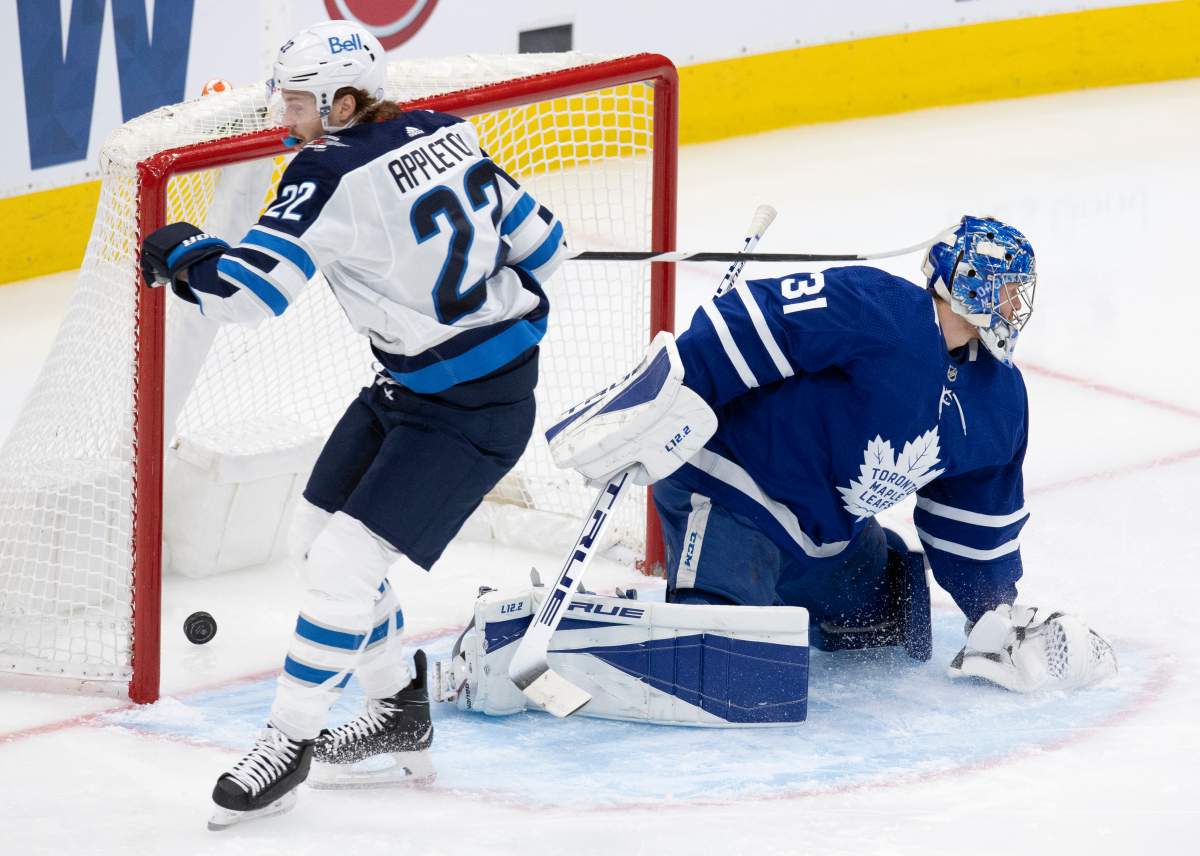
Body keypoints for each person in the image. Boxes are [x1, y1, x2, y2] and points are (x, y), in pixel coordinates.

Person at [140, 20, 567, 829]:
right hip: (422, 386)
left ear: (342, 101)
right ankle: (396, 707)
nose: (289, 120)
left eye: (299, 103)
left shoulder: (324, 169)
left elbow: (247, 296)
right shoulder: (446, 132)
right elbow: (548, 247)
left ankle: (287, 742)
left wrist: (187, 254)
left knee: (342, 556)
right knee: (314, 532)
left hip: (470, 410)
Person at [549, 214, 1116, 701]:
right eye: (1007, 290)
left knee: (896, 616)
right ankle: (592, 636)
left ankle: (699, 606)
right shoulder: (880, 308)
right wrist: (679, 385)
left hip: (826, 537)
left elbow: (975, 519)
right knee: (722, 663)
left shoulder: (998, 397)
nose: (1018, 305)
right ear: (968, 285)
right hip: (732, 489)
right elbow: (759, 317)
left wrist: (990, 610)